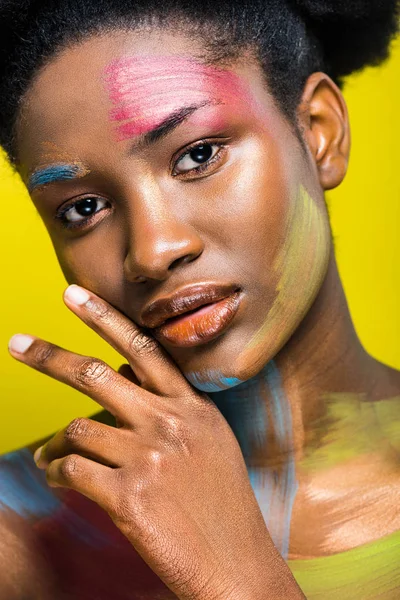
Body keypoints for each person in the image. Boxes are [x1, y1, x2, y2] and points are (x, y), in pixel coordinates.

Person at [0, 0, 399, 598]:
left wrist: (235, 581)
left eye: (198, 155)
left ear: (319, 133)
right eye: (83, 208)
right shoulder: (24, 531)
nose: (153, 251)